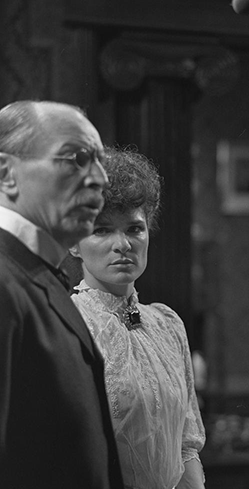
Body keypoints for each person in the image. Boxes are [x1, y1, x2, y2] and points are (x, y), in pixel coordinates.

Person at [0, 100, 124, 488]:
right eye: (77, 158)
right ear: (6, 174)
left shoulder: (40, 274)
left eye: (100, 161)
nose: (100, 178)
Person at [67, 146, 206, 489]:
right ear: (73, 241)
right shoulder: (68, 323)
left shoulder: (167, 325)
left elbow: (186, 445)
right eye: (102, 230)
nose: (123, 244)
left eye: (134, 229)